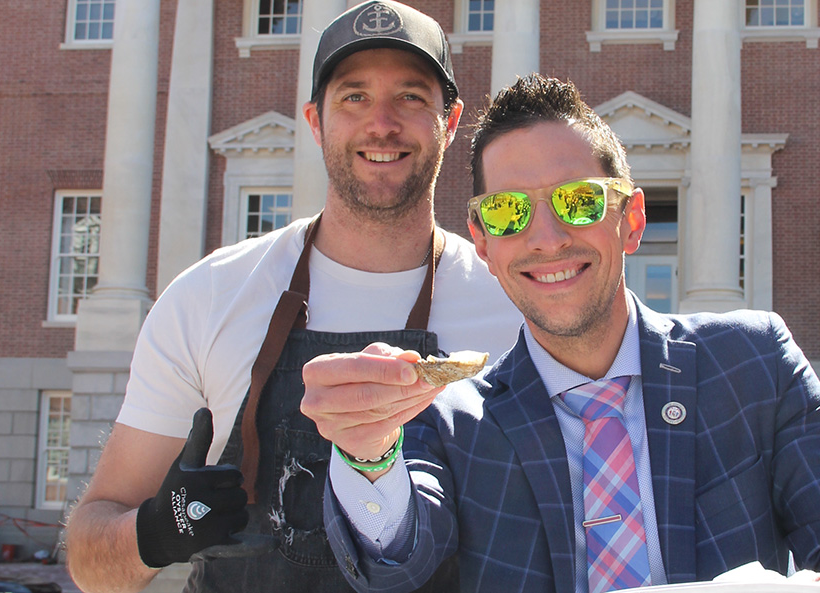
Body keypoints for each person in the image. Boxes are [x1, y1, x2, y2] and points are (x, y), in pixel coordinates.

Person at [302, 75, 820, 593]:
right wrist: (368, 453)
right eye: (509, 211)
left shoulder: (751, 363)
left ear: (632, 219)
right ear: (483, 243)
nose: (546, 237)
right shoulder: (452, 418)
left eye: (578, 202)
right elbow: (396, 559)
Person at [63, 2, 521, 592]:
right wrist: (157, 531)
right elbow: (90, 559)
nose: (381, 123)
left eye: (411, 97)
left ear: (451, 120)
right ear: (315, 121)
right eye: (354, 97)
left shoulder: (512, 308)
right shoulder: (208, 297)